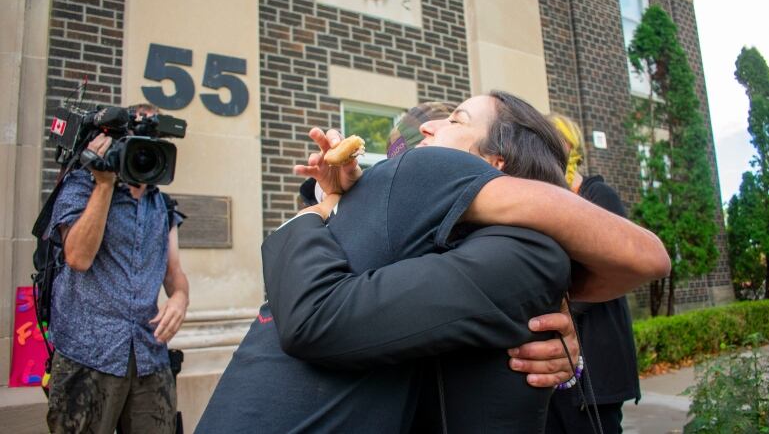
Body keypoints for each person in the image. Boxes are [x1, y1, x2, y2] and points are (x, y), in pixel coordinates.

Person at [196, 92, 669, 432]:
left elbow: (648, 255)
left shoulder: (442, 183)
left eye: (457, 120)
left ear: (495, 165)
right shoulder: (438, 238)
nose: (428, 126)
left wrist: (306, 218)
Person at [45, 103, 189, 433]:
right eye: (138, 143)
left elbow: (174, 272)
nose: (144, 154)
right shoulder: (81, 186)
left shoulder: (161, 204)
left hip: (149, 356)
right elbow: (78, 257)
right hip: (88, 354)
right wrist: (104, 184)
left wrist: (179, 299)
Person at [544, 114, 640, 434]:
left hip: (596, 362)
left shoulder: (598, 197)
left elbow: (611, 267)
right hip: (558, 365)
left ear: (566, 147)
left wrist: (555, 306)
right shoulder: (545, 201)